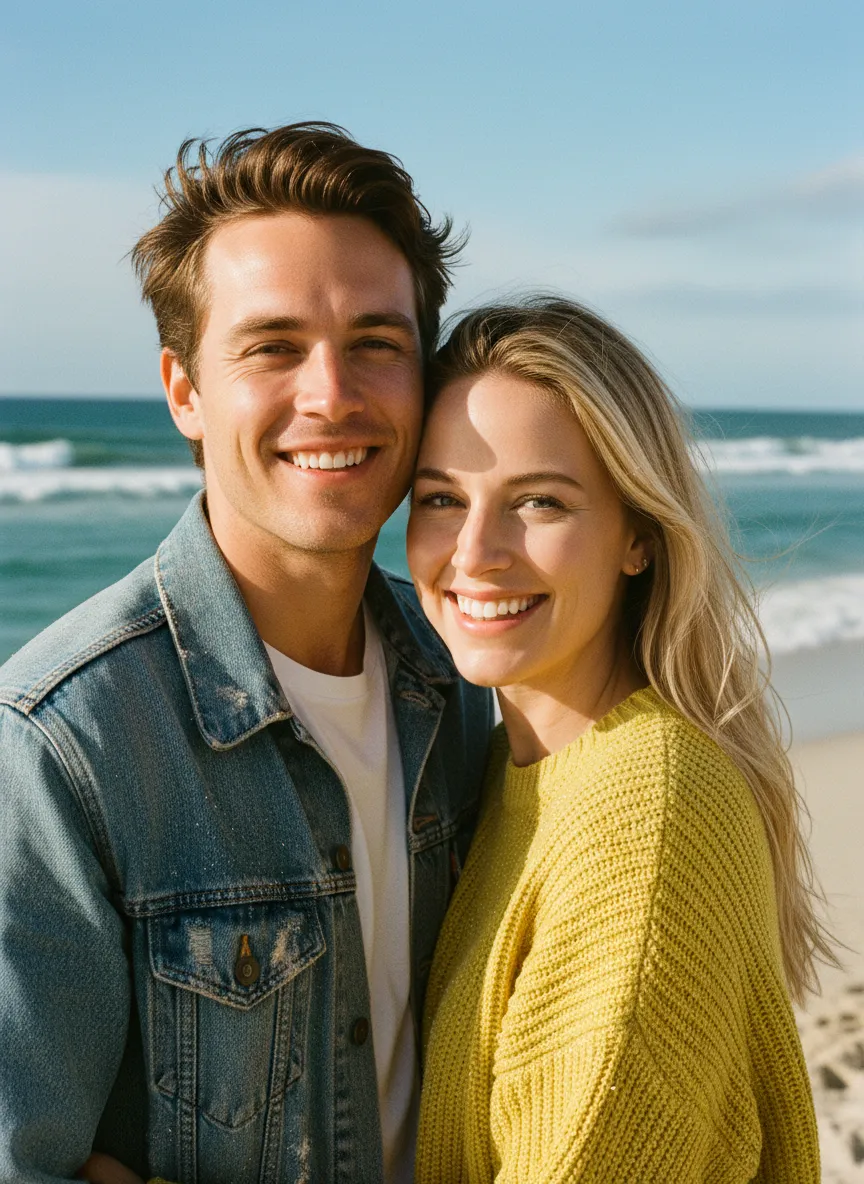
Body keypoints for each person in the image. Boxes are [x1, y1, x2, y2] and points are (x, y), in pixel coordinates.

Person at [0, 124, 492, 1183]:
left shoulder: (466, 683)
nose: (332, 394)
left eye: (377, 341)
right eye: (273, 346)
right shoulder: (62, 747)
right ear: (184, 389)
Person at [406, 297, 827, 1181]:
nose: (475, 552)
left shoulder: (647, 809)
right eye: (441, 497)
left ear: (638, 534)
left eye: (540, 502)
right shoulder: (509, 772)